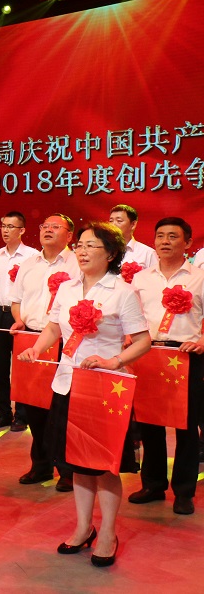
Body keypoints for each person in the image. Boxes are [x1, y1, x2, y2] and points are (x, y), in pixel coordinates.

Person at [19, 222, 150, 567]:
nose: (82, 251)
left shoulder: (122, 292)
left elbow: (143, 341)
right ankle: (83, 527)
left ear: (111, 253)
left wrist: (114, 361)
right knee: (77, 462)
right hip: (68, 384)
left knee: (105, 466)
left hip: (105, 389)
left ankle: (107, 532)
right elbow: (53, 327)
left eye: (91, 246)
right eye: (80, 245)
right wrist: (37, 348)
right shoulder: (66, 288)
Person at [129, 217, 204, 515]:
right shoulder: (141, 278)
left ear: (187, 243)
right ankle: (153, 484)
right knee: (150, 423)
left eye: (173, 236)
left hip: (186, 354)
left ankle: (184, 491)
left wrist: (202, 341)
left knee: (186, 425)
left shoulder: (199, 277)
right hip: (148, 354)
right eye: (160, 235)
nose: (165, 241)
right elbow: (131, 316)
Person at [10, 214, 80, 492]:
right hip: (31, 338)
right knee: (33, 407)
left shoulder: (77, 263)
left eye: (55, 227)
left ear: (69, 235)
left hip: (65, 341)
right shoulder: (29, 264)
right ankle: (40, 464)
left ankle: (67, 469)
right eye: (44, 227)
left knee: (61, 407)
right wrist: (19, 320)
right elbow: (16, 300)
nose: (48, 231)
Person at [0, 211, 39, 429]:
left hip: (21, 316)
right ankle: (3, 413)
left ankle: (22, 416)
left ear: (22, 230)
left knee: (22, 367)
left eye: (10, 227)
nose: (5, 231)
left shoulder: (33, 256)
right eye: (3, 226)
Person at [108, 204, 158, 271]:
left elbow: (156, 276)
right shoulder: (104, 250)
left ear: (133, 224)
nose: (113, 225)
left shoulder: (148, 253)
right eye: (111, 221)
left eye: (119, 221)